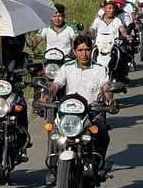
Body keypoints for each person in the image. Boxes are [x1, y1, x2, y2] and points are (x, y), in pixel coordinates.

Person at [42, 34, 116, 169]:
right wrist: (48, 94)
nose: (84, 54)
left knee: (103, 132)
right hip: (69, 111)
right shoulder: (66, 67)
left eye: (87, 50)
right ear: (75, 52)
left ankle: (99, 165)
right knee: (53, 131)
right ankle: (52, 163)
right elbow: (56, 84)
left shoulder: (99, 69)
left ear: (92, 50)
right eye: (80, 50)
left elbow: (106, 85)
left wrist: (109, 98)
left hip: (92, 111)